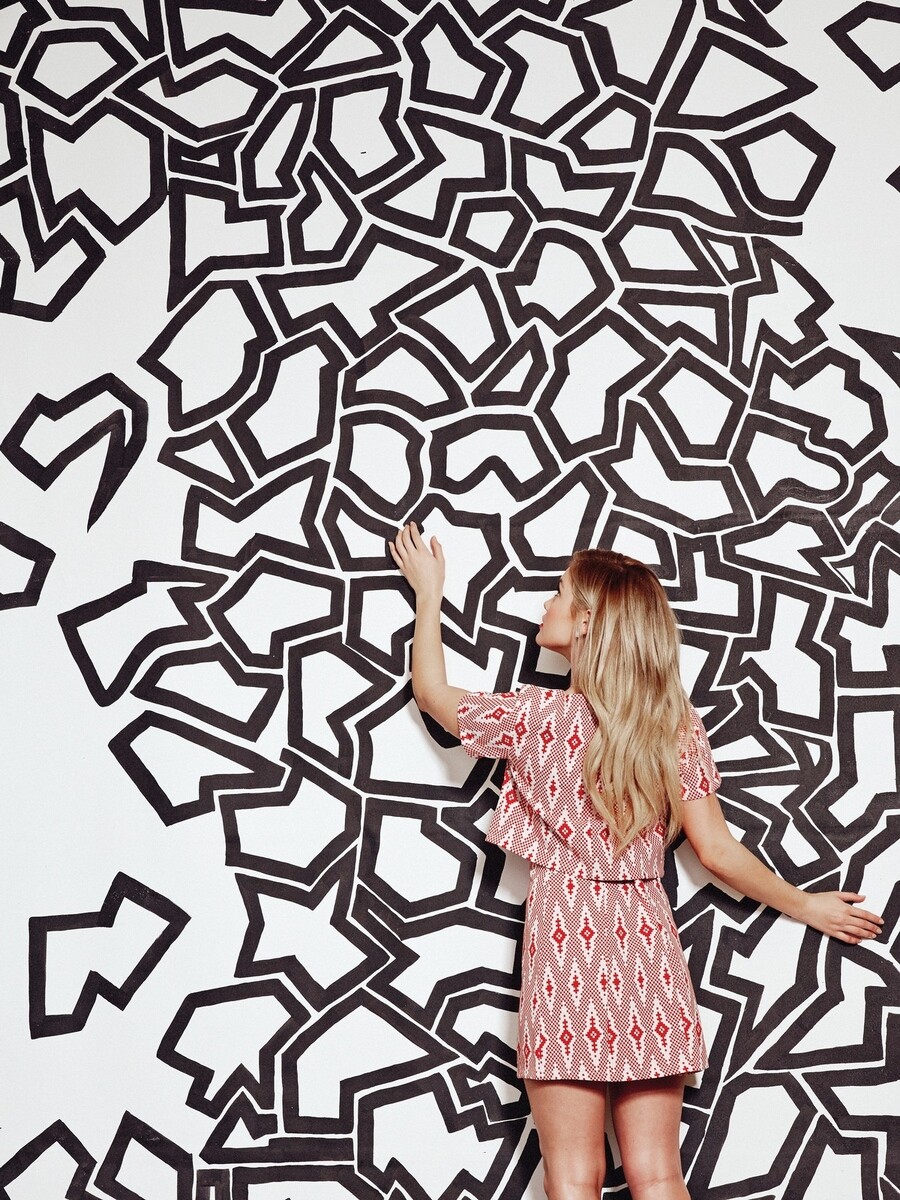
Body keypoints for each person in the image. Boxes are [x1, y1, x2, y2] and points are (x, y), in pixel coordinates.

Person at [389, 523, 883, 1200]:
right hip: (647, 946)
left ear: (588, 621)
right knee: (658, 1174)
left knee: (573, 1176)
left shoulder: (537, 718)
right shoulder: (672, 725)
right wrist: (806, 904)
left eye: (560, 594)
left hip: (565, 945)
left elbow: (433, 695)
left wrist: (429, 595)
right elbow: (716, 851)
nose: (546, 604)